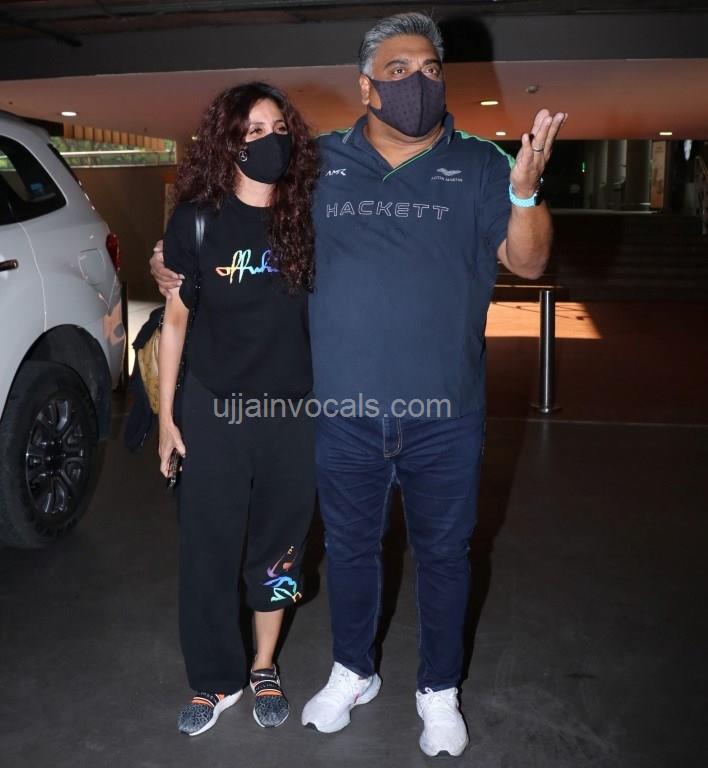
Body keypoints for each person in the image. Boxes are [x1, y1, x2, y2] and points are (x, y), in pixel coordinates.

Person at [151, 13, 566, 757]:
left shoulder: (481, 164)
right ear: (367, 86)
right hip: (340, 412)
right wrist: (173, 261)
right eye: (400, 70)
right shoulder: (319, 165)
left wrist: (528, 194)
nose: (419, 82)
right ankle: (352, 670)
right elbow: (242, 219)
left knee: (444, 555)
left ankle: (438, 690)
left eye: (432, 69)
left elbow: (529, 263)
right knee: (347, 550)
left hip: (444, 410)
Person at [157, 82, 318, 735]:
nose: (269, 140)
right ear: (228, 142)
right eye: (253, 130)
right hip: (214, 411)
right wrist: (166, 419)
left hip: (292, 418)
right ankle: (214, 679)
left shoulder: (308, 219)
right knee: (208, 550)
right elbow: (174, 322)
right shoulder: (197, 220)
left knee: (280, 548)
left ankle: (263, 665)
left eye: (278, 128)